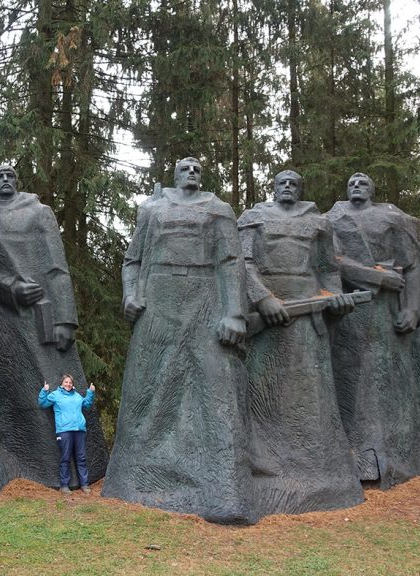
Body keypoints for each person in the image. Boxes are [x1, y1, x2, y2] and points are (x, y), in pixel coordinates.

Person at [102, 157, 255, 524]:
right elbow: (132, 260)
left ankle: (225, 492)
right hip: (158, 298)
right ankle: (131, 480)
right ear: (173, 174)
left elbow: (232, 262)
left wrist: (234, 312)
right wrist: (129, 296)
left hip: (204, 295)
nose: (191, 171)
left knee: (216, 388)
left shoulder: (219, 210)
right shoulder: (151, 209)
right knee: (146, 387)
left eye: (197, 168)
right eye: (185, 167)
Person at [238, 170, 363, 515]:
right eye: (283, 183)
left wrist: (334, 298)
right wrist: (262, 299)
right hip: (266, 316)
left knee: (311, 395)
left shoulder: (318, 223)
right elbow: (242, 263)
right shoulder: (253, 218)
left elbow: (328, 270)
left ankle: (314, 472)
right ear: (273, 188)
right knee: (262, 393)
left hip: (308, 317)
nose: (289, 187)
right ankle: (262, 467)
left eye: (294, 182)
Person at [0, 163, 107, 487]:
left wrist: (66, 320)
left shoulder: (39, 212)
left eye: (10, 175)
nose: (5, 179)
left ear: (18, 183)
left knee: (55, 383)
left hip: (43, 315)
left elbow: (57, 267)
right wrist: (8, 287)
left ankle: (73, 474)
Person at [326, 173, 420, 488]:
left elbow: (411, 265)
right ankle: (354, 462)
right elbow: (330, 262)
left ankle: (402, 461)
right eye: (352, 181)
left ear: (374, 189)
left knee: (390, 384)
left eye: (363, 181)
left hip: (388, 316)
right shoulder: (331, 219)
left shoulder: (390, 218)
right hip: (348, 314)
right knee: (348, 384)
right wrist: (375, 277)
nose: (357, 184)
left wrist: (412, 309)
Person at [37, 375, 96, 493]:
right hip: (64, 431)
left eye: (70, 382)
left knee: (81, 458)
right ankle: (64, 486)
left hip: (79, 430)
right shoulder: (55, 395)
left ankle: (84, 485)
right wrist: (44, 390)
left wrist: (90, 393)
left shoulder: (77, 396)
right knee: (65, 458)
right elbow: (42, 403)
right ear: (61, 383)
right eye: (66, 382)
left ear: (72, 384)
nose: (68, 384)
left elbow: (86, 405)